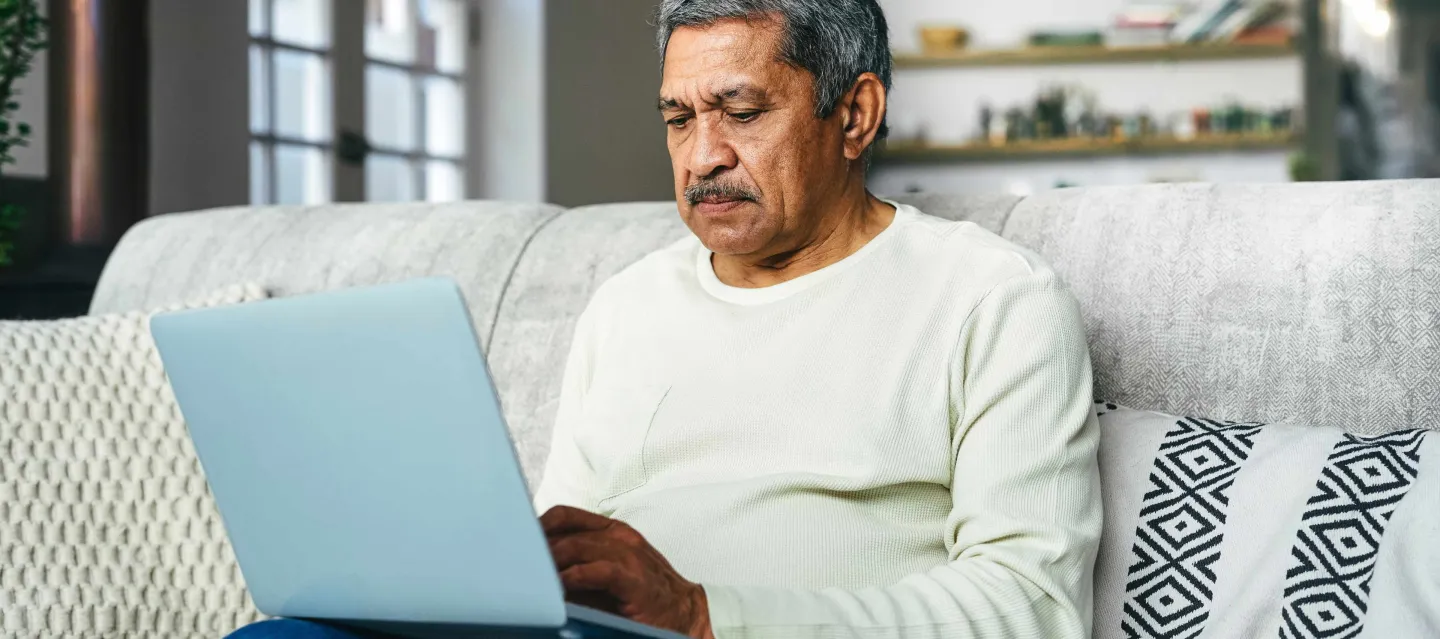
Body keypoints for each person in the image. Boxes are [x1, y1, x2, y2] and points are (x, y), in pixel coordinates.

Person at [229, 1, 1101, 637]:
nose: (703, 155)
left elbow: (1032, 605)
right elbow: (562, 553)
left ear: (856, 115)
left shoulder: (995, 299)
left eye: (743, 112)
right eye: (679, 119)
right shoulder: (626, 304)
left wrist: (704, 614)